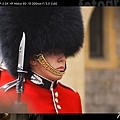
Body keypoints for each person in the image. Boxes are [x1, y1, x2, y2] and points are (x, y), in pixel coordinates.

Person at [0, 6, 84, 114]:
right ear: (33, 58)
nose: (62, 58)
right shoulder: (7, 97)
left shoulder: (72, 98)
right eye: (53, 52)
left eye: (64, 52)